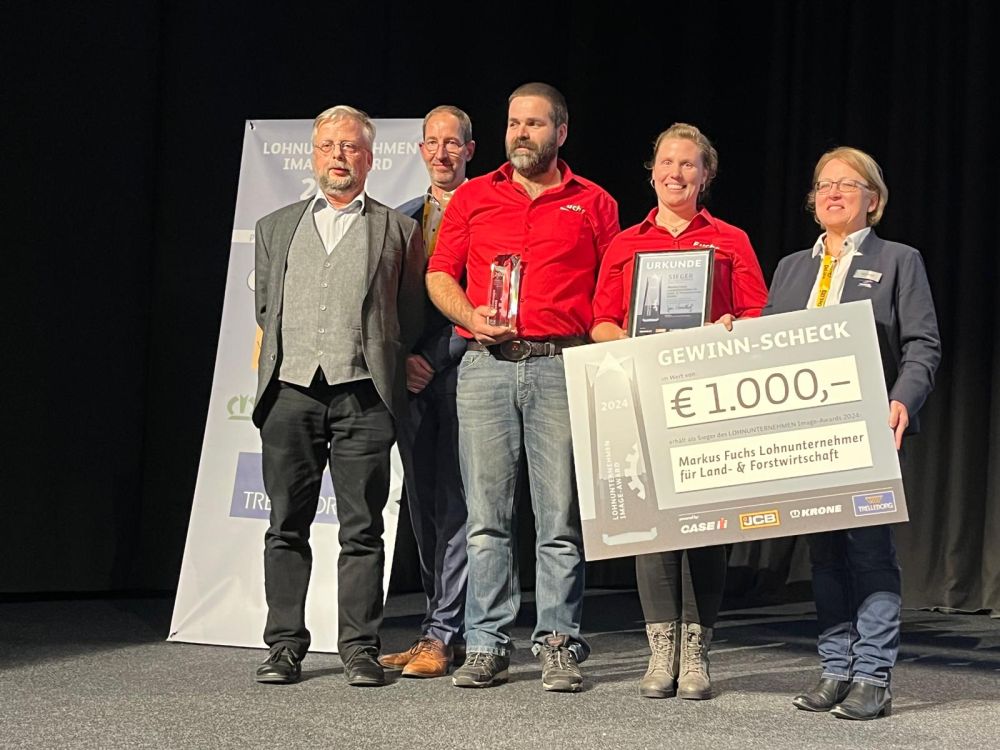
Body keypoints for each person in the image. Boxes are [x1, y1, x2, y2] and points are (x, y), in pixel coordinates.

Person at [426, 82, 620, 692]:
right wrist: (468, 317)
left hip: (563, 366)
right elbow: (439, 274)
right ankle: (486, 643)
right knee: (486, 518)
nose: (521, 134)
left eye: (535, 124)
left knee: (559, 517)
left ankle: (558, 641)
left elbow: (614, 290)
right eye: (513, 123)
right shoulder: (475, 197)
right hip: (485, 367)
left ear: (561, 132)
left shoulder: (594, 202)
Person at [591, 123, 768, 700]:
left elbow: (757, 314)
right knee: (652, 527)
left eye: (688, 164)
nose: (676, 173)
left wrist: (730, 329)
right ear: (652, 170)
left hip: (706, 403)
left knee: (707, 527)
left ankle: (696, 652)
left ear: (706, 175)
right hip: (642, 398)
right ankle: (658, 650)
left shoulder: (731, 240)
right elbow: (600, 320)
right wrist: (624, 341)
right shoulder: (625, 242)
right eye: (666, 162)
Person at [251, 105, 425, 687]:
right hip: (291, 394)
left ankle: (359, 648)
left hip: (364, 397)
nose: (338, 157)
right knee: (285, 525)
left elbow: (409, 314)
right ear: (313, 155)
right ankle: (283, 646)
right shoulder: (276, 227)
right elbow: (265, 312)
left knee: (363, 529)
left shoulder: (399, 230)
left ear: (370, 159)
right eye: (328, 146)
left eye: (350, 147)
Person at [764, 146, 940, 720]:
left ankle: (872, 675)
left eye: (848, 184)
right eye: (823, 185)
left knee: (868, 552)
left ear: (874, 200)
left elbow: (922, 347)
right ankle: (834, 669)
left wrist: (901, 401)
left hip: (866, 430)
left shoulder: (898, 260)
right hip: (802, 435)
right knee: (825, 555)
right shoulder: (791, 268)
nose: (833, 192)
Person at [379, 106, 476, 678]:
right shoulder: (400, 220)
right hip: (410, 384)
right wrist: (404, 362)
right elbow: (383, 310)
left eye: (453, 143)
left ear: (470, 149)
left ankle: (448, 632)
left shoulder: (487, 212)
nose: (442, 153)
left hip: (467, 374)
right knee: (424, 510)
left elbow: (491, 299)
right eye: (432, 143)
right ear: (420, 150)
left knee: (459, 506)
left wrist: (435, 357)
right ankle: (437, 630)